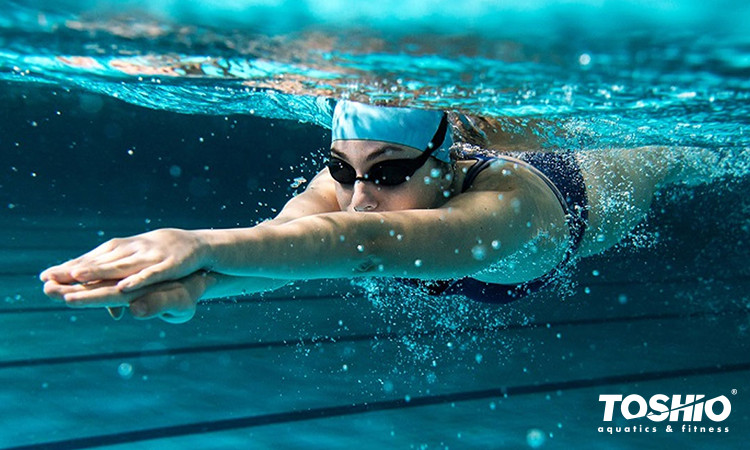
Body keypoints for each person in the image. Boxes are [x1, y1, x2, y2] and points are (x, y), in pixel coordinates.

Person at [40, 100, 713, 323]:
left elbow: (368, 243)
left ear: (445, 165)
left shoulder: (508, 210)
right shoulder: (353, 183)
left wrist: (194, 242)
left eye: (388, 173)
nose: (359, 194)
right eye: (342, 169)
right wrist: (197, 288)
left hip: (592, 185)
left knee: (677, 154)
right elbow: (283, 243)